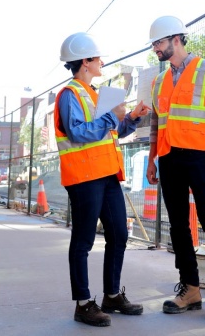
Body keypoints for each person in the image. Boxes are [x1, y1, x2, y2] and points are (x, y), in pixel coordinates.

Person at [55, 32, 151, 327]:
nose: (102, 62)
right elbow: (77, 132)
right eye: (97, 58)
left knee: (119, 235)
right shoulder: (70, 94)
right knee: (83, 240)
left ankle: (111, 295)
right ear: (85, 62)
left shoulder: (95, 93)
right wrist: (112, 117)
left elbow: (110, 133)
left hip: (107, 174)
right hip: (84, 176)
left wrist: (131, 118)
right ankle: (83, 304)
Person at [145, 15, 205, 326]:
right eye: (154, 43)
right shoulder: (158, 81)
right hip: (169, 158)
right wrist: (151, 159)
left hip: (200, 156)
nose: (155, 48)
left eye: (158, 42)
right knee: (178, 227)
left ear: (176, 39)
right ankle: (191, 289)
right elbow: (157, 125)